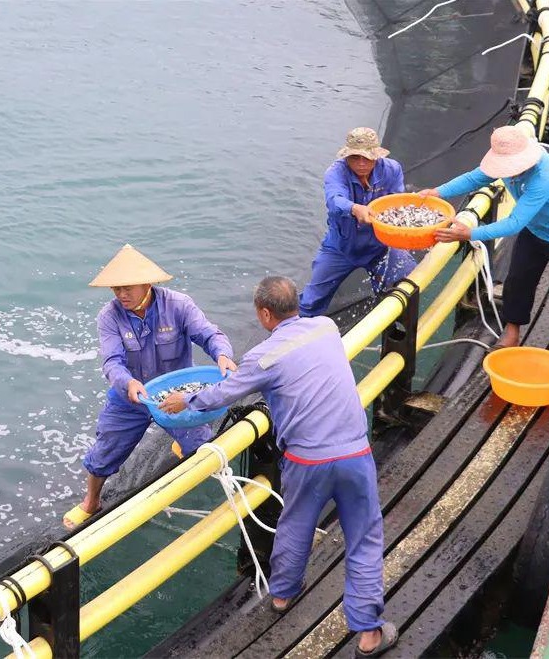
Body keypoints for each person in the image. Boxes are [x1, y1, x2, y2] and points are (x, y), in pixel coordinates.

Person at [159, 276, 397, 658]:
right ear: (297, 304)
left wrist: (183, 402)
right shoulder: (326, 326)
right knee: (365, 538)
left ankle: (283, 595)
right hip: (354, 452)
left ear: (265, 314)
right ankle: (369, 634)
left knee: (294, 525)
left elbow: (224, 393)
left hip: (306, 460)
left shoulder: (262, 357)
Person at [62, 244, 237, 529]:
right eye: (116, 289)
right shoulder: (109, 317)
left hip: (176, 396)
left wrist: (223, 354)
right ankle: (91, 501)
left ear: (148, 283)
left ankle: (186, 445)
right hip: (131, 398)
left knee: (203, 448)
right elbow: (111, 361)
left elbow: (208, 334)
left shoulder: (179, 304)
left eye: (127, 287)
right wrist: (127, 382)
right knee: (104, 453)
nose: (121, 294)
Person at [422, 124, 549, 377]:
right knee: (518, 281)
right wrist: (437, 192)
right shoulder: (506, 167)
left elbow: (514, 222)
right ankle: (512, 330)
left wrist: (469, 233)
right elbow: (474, 177)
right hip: (536, 231)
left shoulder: (546, 176)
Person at [299, 127, 416, 318]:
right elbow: (334, 200)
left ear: (377, 156)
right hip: (342, 247)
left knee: (406, 282)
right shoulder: (335, 172)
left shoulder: (392, 169)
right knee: (311, 301)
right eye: (355, 158)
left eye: (367, 158)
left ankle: (392, 321)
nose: (361, 163)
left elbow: (398, 201)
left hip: (381, 246)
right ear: (346, 157)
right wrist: (355, 208)